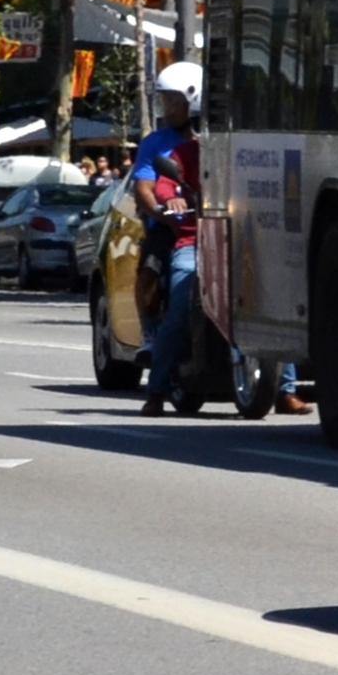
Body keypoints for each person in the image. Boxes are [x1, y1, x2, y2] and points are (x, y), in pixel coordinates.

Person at [132, 62, 204, 417]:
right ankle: (156, 387)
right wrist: (166, 207)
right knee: (175, 301)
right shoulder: (168, 148)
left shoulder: (233, 146)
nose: (166, 107)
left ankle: (283, 387)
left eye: (172, 99)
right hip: (179, 231)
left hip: (233, 239)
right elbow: (153, 186)